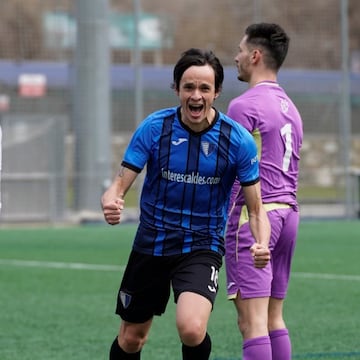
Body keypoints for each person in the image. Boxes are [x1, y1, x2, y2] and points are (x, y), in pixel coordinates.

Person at [101, 48, 271, 360]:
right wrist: (112, 199)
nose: (196, 95)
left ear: (216, 91)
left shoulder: (238, 140)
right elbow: (118, 183)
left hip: (201, 244)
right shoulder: (155, 128)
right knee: (131, 339)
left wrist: (261, 242)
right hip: (152, 242)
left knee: (192, 328)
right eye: (188, 87)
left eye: (204, 88)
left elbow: (257, 209)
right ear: (177, 89)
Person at [225, 23, 303, 360]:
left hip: (255, 219)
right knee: (273, 318)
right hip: (289, 216)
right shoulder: (291, 108)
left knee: (252, 324)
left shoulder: (244, 106)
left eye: (241, 50)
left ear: (255, 56)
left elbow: (231, 171)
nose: (236, 57)